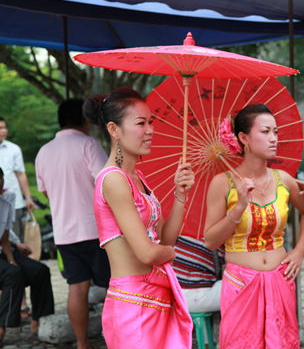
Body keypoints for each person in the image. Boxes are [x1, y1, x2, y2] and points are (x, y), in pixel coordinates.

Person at [83, 87, 194, 348]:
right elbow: (147, 253)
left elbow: (165, 239)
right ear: (114, 129)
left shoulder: (137, 178)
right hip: (134, 305)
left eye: (151, 122)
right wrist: (170, 254)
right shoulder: (113, 180)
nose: (150, 130)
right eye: (141, 123)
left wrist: (180, 195)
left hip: (156, 298)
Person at [204, 103, 304, 349]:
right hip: (241, 284)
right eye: (265, 132)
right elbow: (211, 241)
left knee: (282, 343)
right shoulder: (222, 183)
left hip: (280, 279)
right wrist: (238, 207)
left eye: (275, 132)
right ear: (243, 138)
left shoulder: (283, 179)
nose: (274, 138)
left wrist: (300, 250)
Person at [35, 98, 110, 349]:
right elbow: (107, 182)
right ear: (86, 119)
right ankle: (117, 337)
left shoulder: (44, 152)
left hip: (64, 233)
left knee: (76, 288)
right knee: (113, 285)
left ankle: (82, 342)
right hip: (95, 230)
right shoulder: (89, 144)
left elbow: (45, 192)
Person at [0, 167, 54, 346]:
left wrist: (12, 259)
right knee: (13, 274)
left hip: (4, 250)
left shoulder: (5, 203)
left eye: (1, 181)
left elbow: (4, 238)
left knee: (40, 271)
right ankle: (2, 326)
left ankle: (39, 320)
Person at [0, 116, 35, 240]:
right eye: (0, 128)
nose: (4, 131)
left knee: (15, 238)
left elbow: (20, 174)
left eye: (5, 127)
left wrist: (28, 197)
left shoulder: (14, 149)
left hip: (13, 202)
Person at [173, 235, 224, 313]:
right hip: (196, 297)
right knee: (237, 284)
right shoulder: (218, 243)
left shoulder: (185, 234)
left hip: (175, 295)